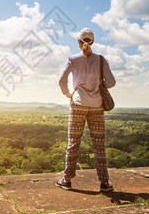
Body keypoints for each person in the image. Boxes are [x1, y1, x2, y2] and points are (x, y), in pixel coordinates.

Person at [56, 27, 116, 192]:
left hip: (78, 105)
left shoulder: (73, 59)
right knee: (99, 145)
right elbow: (111, 82)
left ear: (79, 42)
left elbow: (61, 80)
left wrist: (68, 93)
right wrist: (99, 83)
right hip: (97, 105)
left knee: (73, 142)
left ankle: (67, 180)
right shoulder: (101, 60)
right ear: (93, 42)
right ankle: (105, 183)